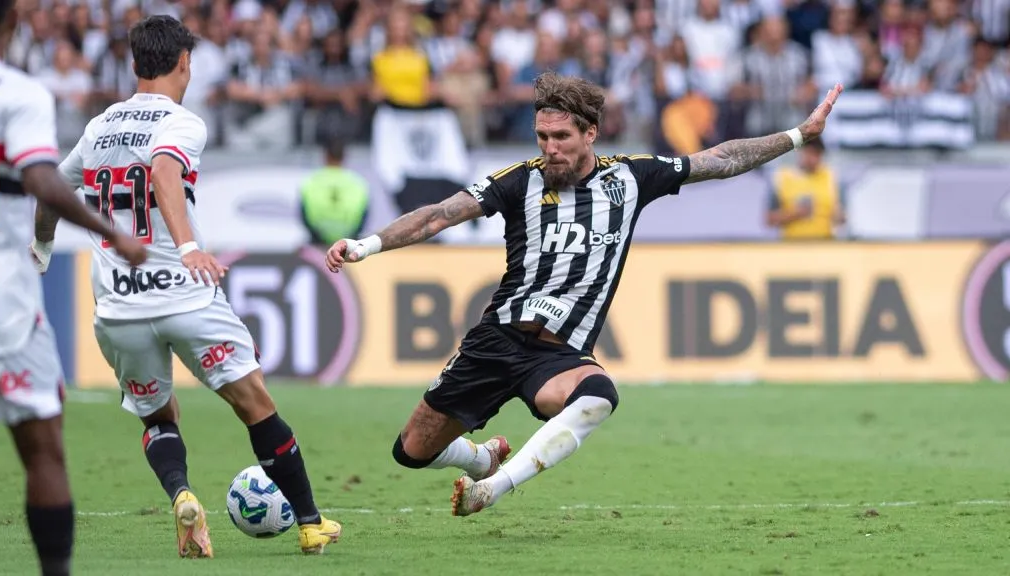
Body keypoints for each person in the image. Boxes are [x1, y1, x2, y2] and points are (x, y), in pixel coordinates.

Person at [326, 71, 843, 516]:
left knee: (598, 397)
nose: (549, 148)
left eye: (561, 137)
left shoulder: (632, 178)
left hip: (557, 355)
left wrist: (799, 134)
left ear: (590, 133)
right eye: (542, 136)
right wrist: (367, 244)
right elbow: (439, 214)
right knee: (411, 452)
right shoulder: (517, 183)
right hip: (495, 340)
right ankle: (480, 458)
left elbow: (721, 158)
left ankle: (492, 488)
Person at [30, 15, 341, 557]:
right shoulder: (182, 122)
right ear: (185, 64)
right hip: (184, 290)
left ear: (132, 64)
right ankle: (311, 523)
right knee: (255, 403)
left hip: (119, 307)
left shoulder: (100, 125)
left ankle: (181, 496)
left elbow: (52, 185)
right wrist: (189, 245)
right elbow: (163, 172)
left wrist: (42, 245)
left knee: (157, 415)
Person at [0, 2, 148, 574]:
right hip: (0, 295)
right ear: (11, 23)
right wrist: (115, 235)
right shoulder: (17, 92)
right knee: (43, 445)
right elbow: (40, 179)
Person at [766, 138, 845, 239]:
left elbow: (843, 217)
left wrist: (840, 217)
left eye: (817, 154)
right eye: (809, 153)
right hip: (791, 246)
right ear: (800, 152)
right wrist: (795, 214)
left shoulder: (832, 178)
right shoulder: (781, 178)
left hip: (825, 245)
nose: (813, 159)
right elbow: (769, 220)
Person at [299, 138, 370, 246]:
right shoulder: (358, 183)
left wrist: (318, 237)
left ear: (325, 156)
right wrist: (350, 237)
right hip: (348, 245)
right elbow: (363, 216)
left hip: (318, 243)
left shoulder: (311, 182)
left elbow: (304, 214)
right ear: (344, 157)